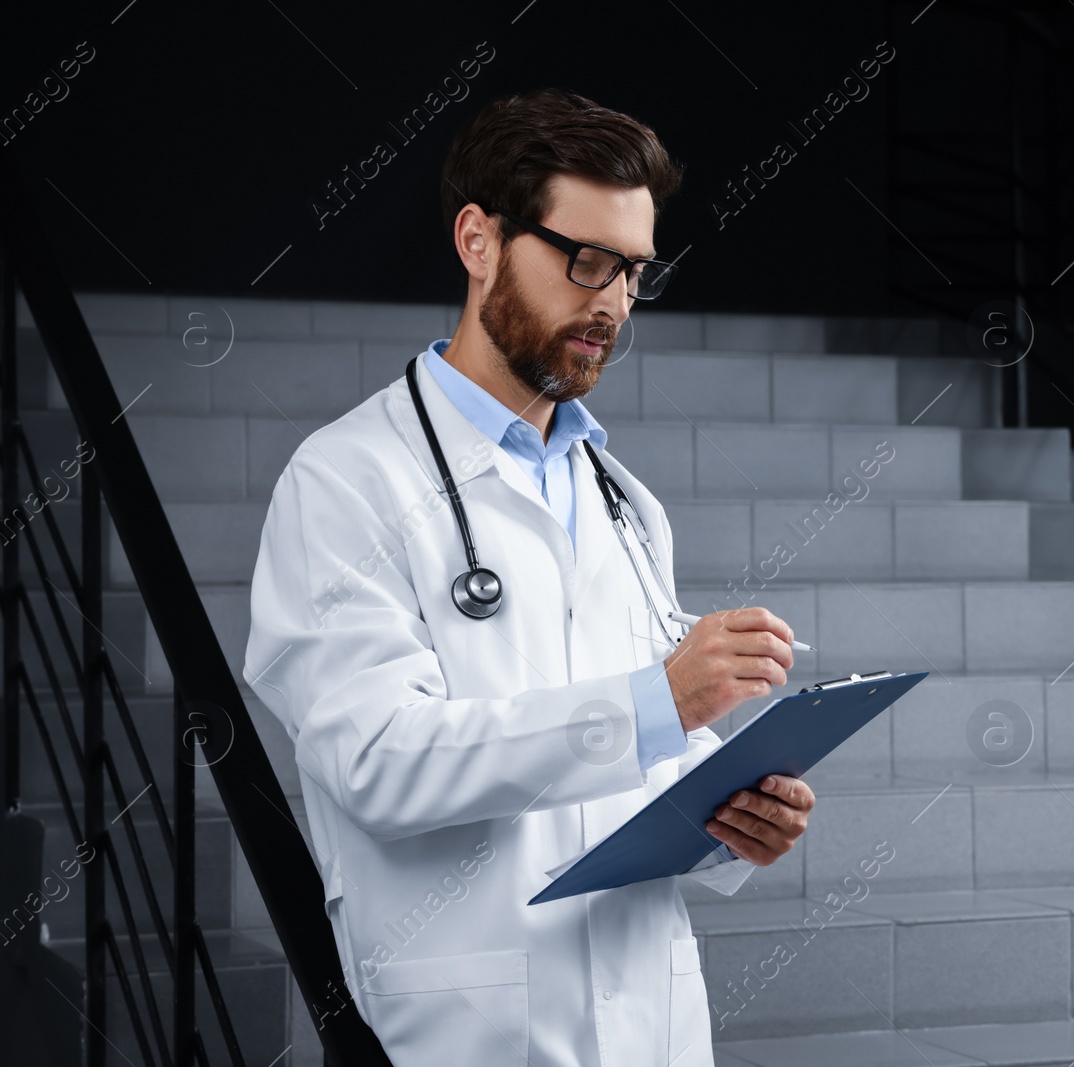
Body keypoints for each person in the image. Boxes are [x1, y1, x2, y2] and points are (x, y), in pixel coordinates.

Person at [244, 87, 814, 1067]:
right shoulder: (344, 480)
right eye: (584, 259)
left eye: (633, 270)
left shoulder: (625, 502)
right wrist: (659, 700)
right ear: (478, 240)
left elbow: (635, 746)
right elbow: (376, 757)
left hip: (656, 1023)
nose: (612, 300)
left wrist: (726, 816)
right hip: (471, 1027)